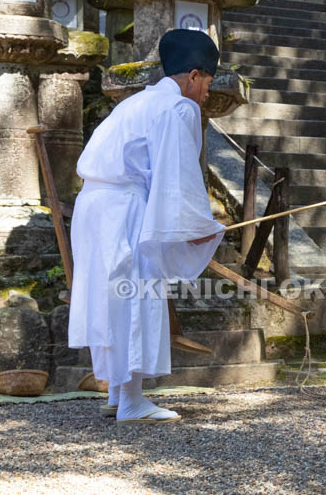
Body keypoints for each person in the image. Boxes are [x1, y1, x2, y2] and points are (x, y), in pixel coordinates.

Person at [68, 29, 225, 423]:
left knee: (112, 297)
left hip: (94, 205)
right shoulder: (179, 109)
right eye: (207, 81)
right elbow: (176, 175)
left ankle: (119, 394)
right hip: (124, 207)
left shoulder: (136, 102)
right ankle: (133, 401)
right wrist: (196, 224)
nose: (206, 92)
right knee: (135, 293)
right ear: (193, 76)